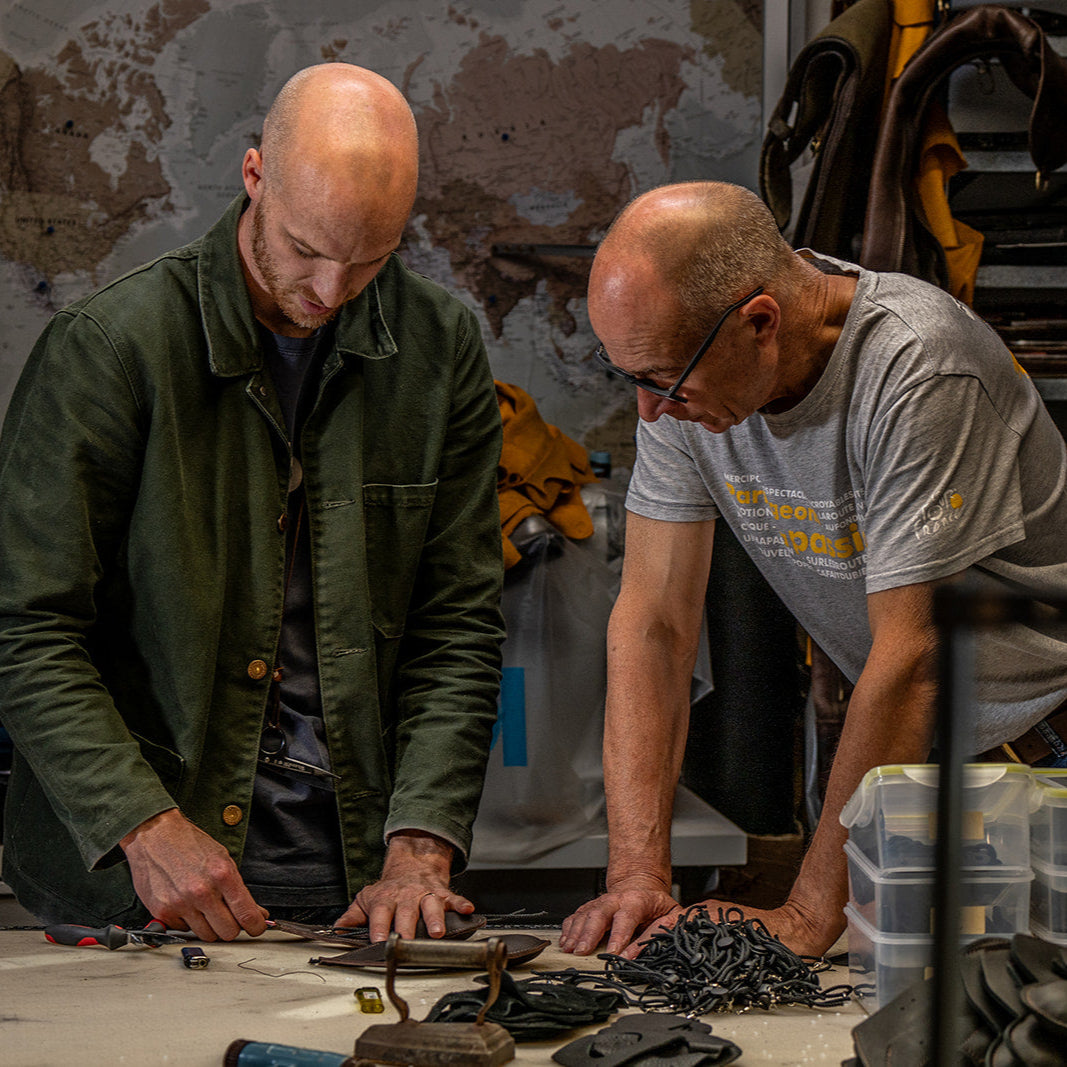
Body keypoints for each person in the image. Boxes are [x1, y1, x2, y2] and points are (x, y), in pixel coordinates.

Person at [0, 63, 505, 943]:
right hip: (144, 876)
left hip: (357, 870)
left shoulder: (442, 344)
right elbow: (24, 625)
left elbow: (456, 620)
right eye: (307, 248)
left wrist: (422, 842)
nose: (330, 291)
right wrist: (141, 824)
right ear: (252, 176)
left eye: (370, 260)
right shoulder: (109, 351)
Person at [559, 181, 1067, 959]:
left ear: (759, 321)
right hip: (921, 763)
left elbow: (913, 657)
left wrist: (805, 910)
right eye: (628, 375)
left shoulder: (918, 368)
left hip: (1045, 747)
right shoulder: (680, 381)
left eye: (662, 379)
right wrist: (635, 874)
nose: (649, 411)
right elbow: (654, 620)